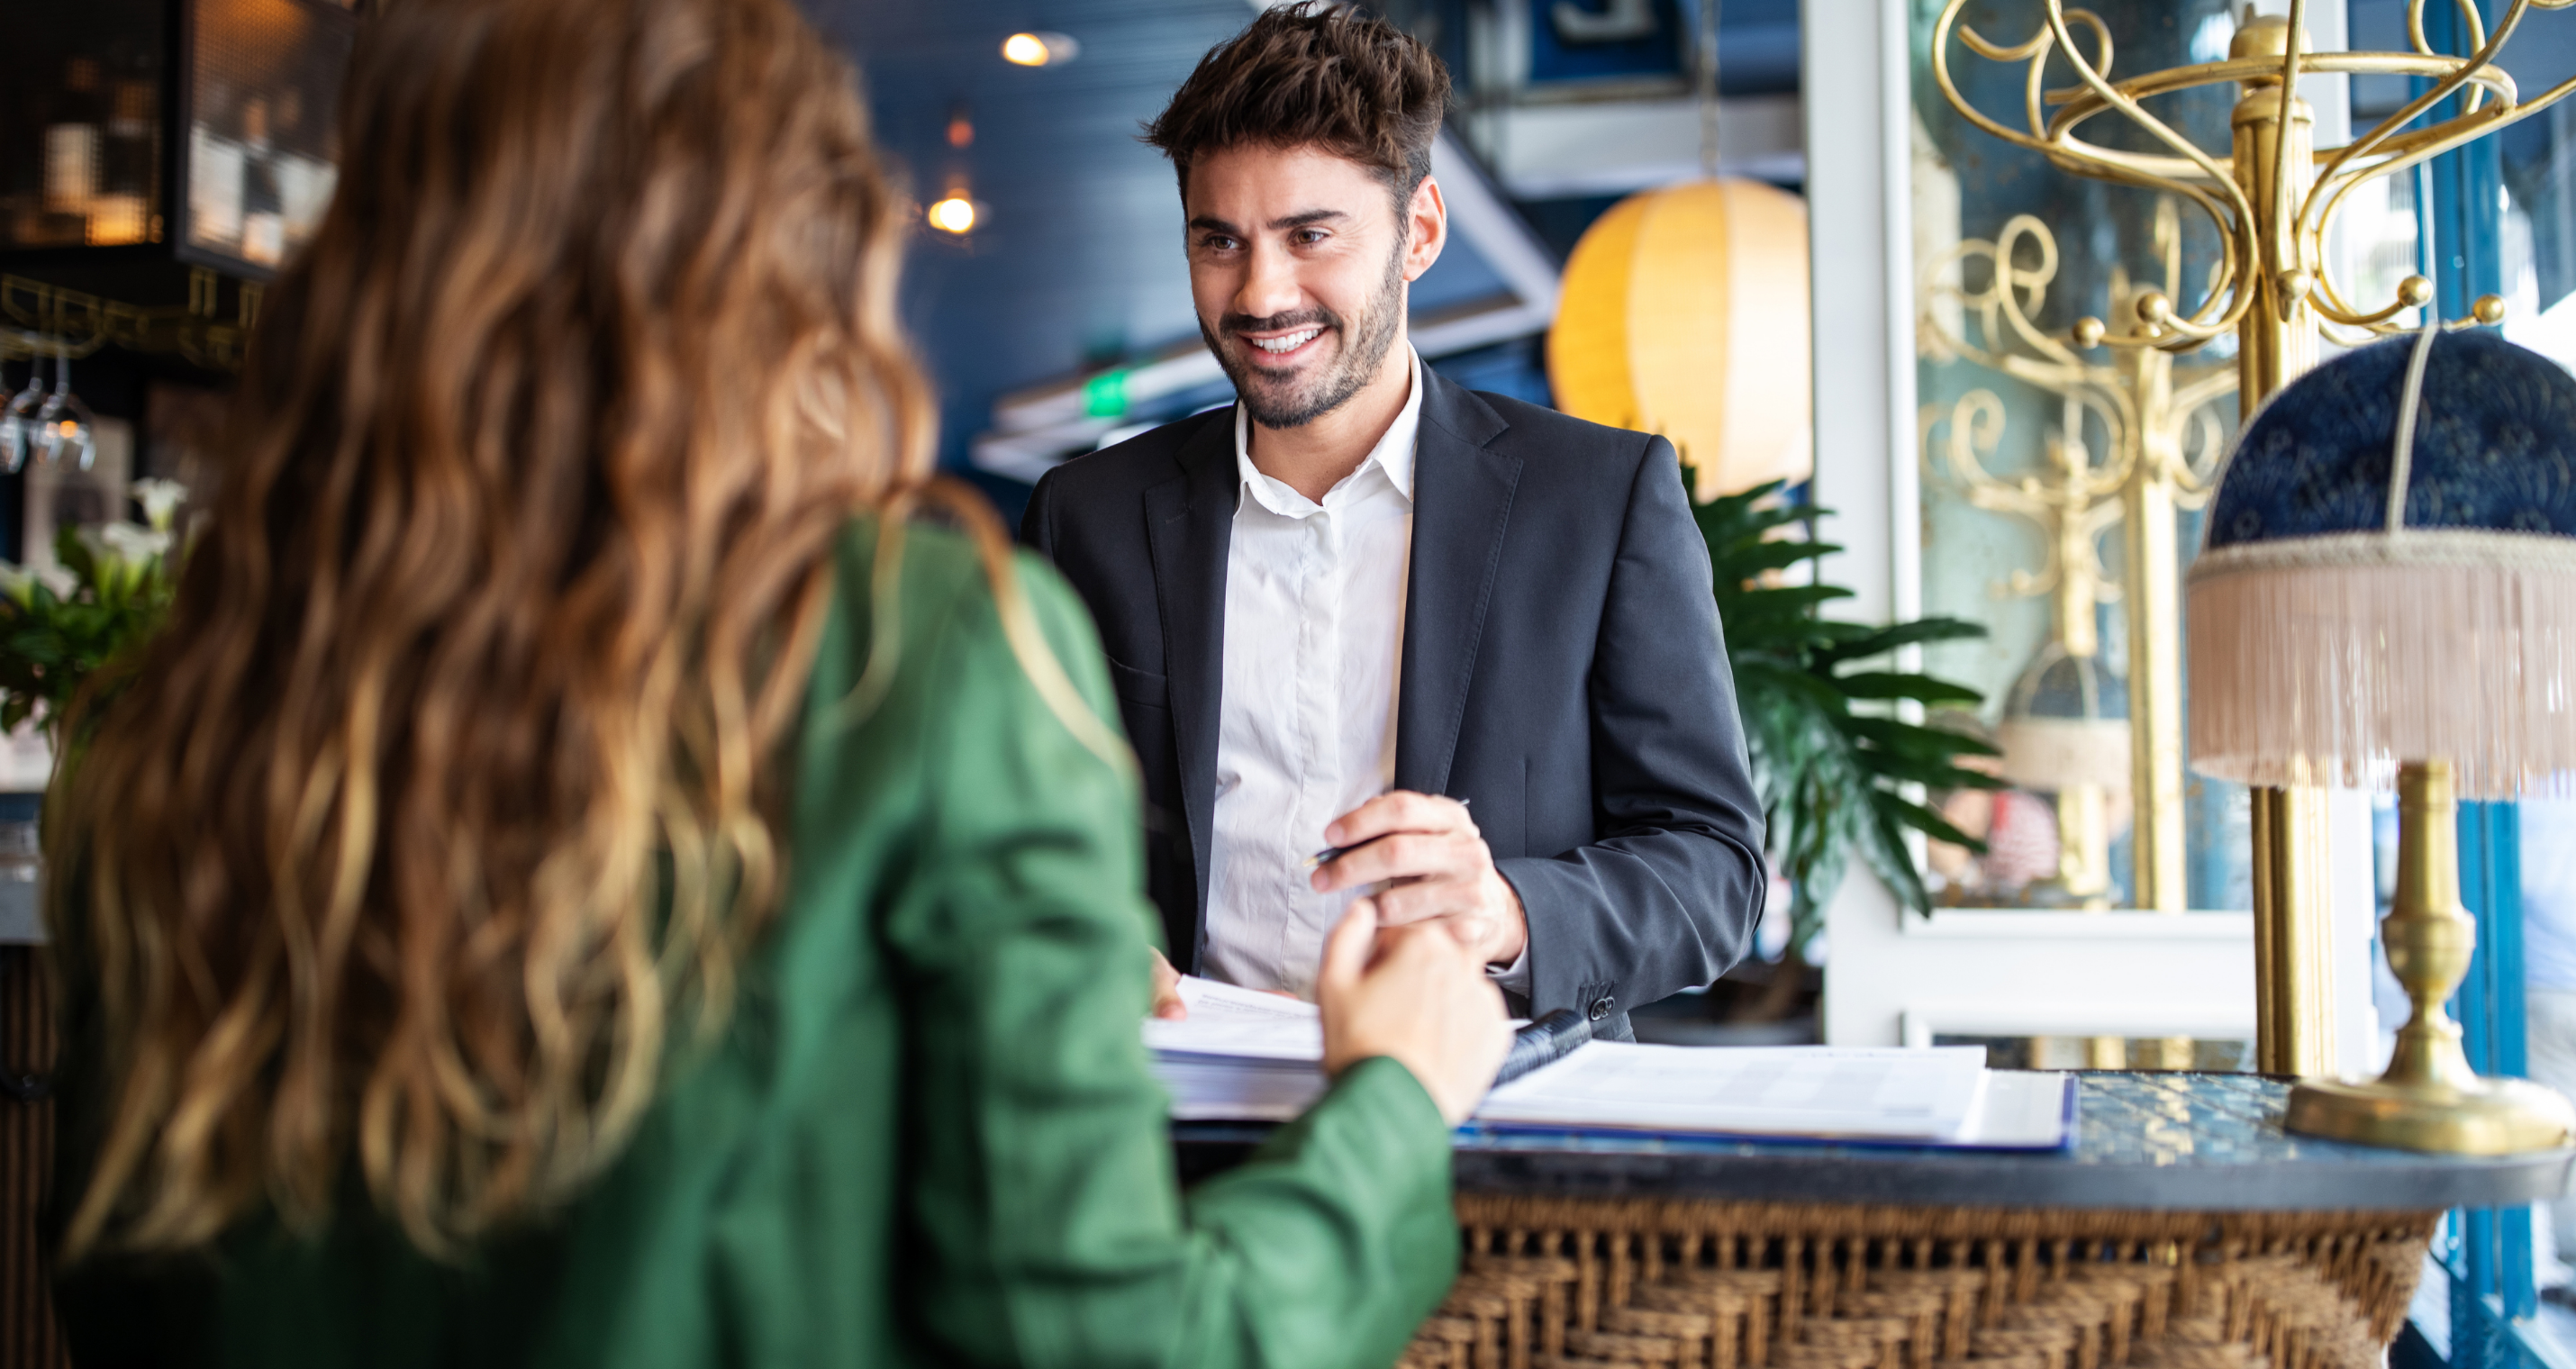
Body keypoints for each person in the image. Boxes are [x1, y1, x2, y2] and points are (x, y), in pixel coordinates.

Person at [42, 0, 1510, 1363]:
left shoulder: (164, 726)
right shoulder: (926, 650)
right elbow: (1105, 1339)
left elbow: (114, 1293)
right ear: (784, 255)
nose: (1259, 289)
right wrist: (1392, 1107)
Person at [1020, 4, 1765, 1040]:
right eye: (1219, 241)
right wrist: (1065, 933)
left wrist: (1504, 911)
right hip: (1168, 1138)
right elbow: (1008, 840)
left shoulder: (1596, 500)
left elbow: (1713, 867)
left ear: (1417, 233)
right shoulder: (1086, 518)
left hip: (1493, 1142)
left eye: (1309, 235)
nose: (1260, 292)